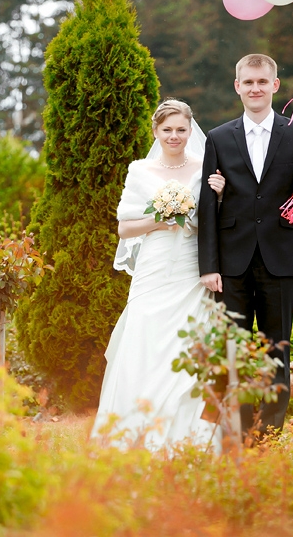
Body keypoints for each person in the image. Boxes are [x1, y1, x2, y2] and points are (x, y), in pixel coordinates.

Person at [197, 53, 293, 442]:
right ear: (237, 86)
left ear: (274, 86)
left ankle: (267, 436)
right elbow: (208, 204)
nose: (255, 88)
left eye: (262, 82)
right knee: (230, 350)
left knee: (277, 350)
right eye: (247, 82)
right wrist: (209, 265)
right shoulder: (219, 138)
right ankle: (234, 431)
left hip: (279, 259)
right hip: (231, 264)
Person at [91, 99, 225, 452]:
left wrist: (221, 195)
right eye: (167, 130)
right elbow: (124, 229)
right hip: (153, 267)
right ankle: (133, 433)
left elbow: (218, 219)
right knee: (144, 341)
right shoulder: (140, 172)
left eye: (181, 129)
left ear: (190, 129)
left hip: (190, 269)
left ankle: (185, 438)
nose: (174, 136)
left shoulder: (204, 169)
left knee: (187, 345)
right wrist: (162, 218)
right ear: (155, 131)